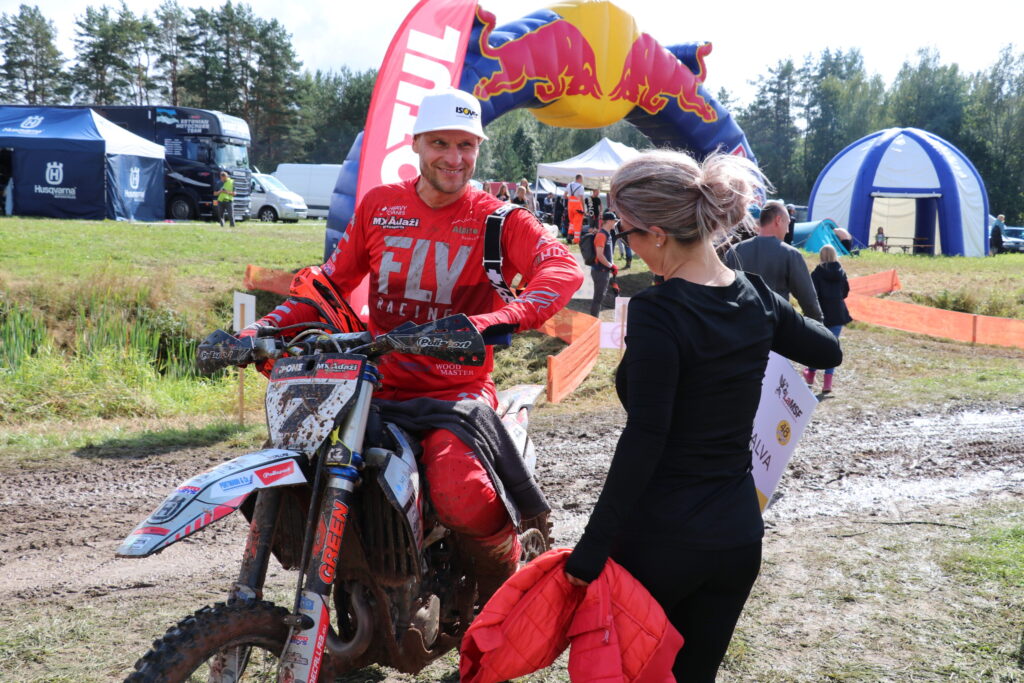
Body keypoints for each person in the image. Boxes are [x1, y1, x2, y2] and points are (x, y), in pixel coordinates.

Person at [243, 88, 584, 599]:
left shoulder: (499, 219)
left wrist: (499, 319)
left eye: (466, 145)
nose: (454, 158)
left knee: (459, 490)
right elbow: (327, 287)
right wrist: (260, 331)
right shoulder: (381, 206)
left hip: (455, 393)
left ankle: (503, 588)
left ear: (479, 148)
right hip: (369, 386)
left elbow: (561, 268)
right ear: (416, 143)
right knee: (293, 471)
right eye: (440, 143)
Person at [563, 150, 842, 682]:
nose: (627, 245)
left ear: (658, 234)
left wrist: (591, 547)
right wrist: (775, 310)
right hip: (737, 537)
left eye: (628, 233)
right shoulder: (757, 297)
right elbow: (828, 349)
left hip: (661, 542)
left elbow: (647, 435)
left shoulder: (657, 312)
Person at [723, 201, 824, 322]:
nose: (788, 230)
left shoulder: (734, 251)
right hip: (773, 327)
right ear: (778, 220)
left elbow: (722, 293)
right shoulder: (790, 254)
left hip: (739, 326)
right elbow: (809, 301)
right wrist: (819, 325)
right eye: (787, 224)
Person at [803, 245, 852, 394]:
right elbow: (845, 292)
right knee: (832, 348)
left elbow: (812, 295)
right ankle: (827, 383)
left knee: (816, 346)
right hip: (837, 314)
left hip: (821, 315)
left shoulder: (816, 274)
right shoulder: (841, 272)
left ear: (821, 256)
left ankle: (810, 375)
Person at [589, 210, 618, 317]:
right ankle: (594, 320)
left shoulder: (608, 234)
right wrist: (611, 266)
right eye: (614, 221)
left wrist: (612, 266)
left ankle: (594, 319)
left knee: (599, 298)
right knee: (598, 299)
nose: (615, 223)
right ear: (609, 221)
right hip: (600, 271)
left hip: (604, 270)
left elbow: (608, 254)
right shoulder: (601, 235)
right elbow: (600, 255)